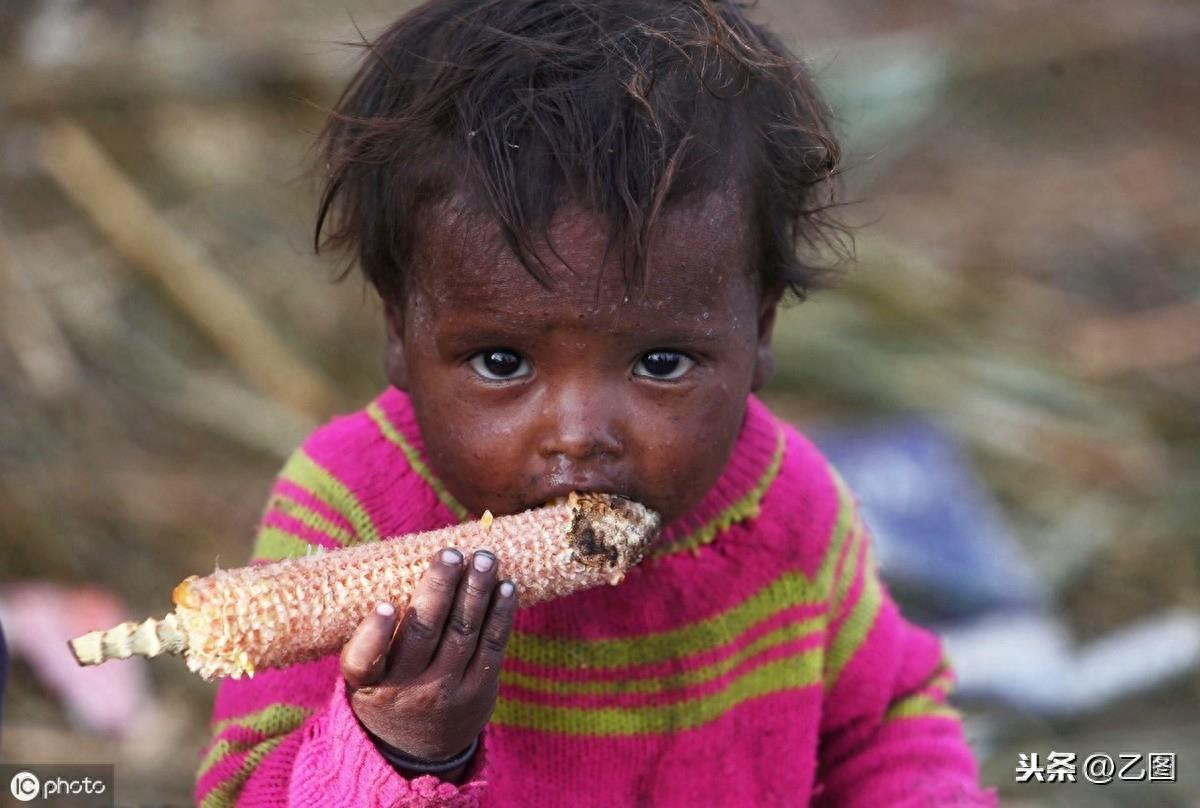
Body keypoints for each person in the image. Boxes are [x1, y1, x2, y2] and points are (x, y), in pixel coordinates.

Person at [195, 1, 998, 805]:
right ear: (399, 333)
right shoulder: (350, 510)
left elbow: (890, 721)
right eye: (502, 362)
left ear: (759, 336)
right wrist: (403, 747)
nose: (578, 436)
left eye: (660, 361)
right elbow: (242, 789)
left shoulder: (788, 507)